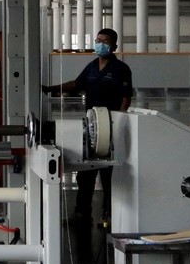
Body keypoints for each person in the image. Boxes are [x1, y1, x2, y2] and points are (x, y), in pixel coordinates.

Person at [42, 28, 132, 224]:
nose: (100, 44)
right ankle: (82, 213)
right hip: (92, 126)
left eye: (105, 41)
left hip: (110, 127)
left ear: (114, 45)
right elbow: (76, 84)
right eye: (98, 40)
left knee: (108, 174)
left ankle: (109, 215)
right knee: (85, 173)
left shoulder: (120, 69)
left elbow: (126, 98)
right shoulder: (92, 66)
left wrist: (119, 122)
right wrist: (49, 89)